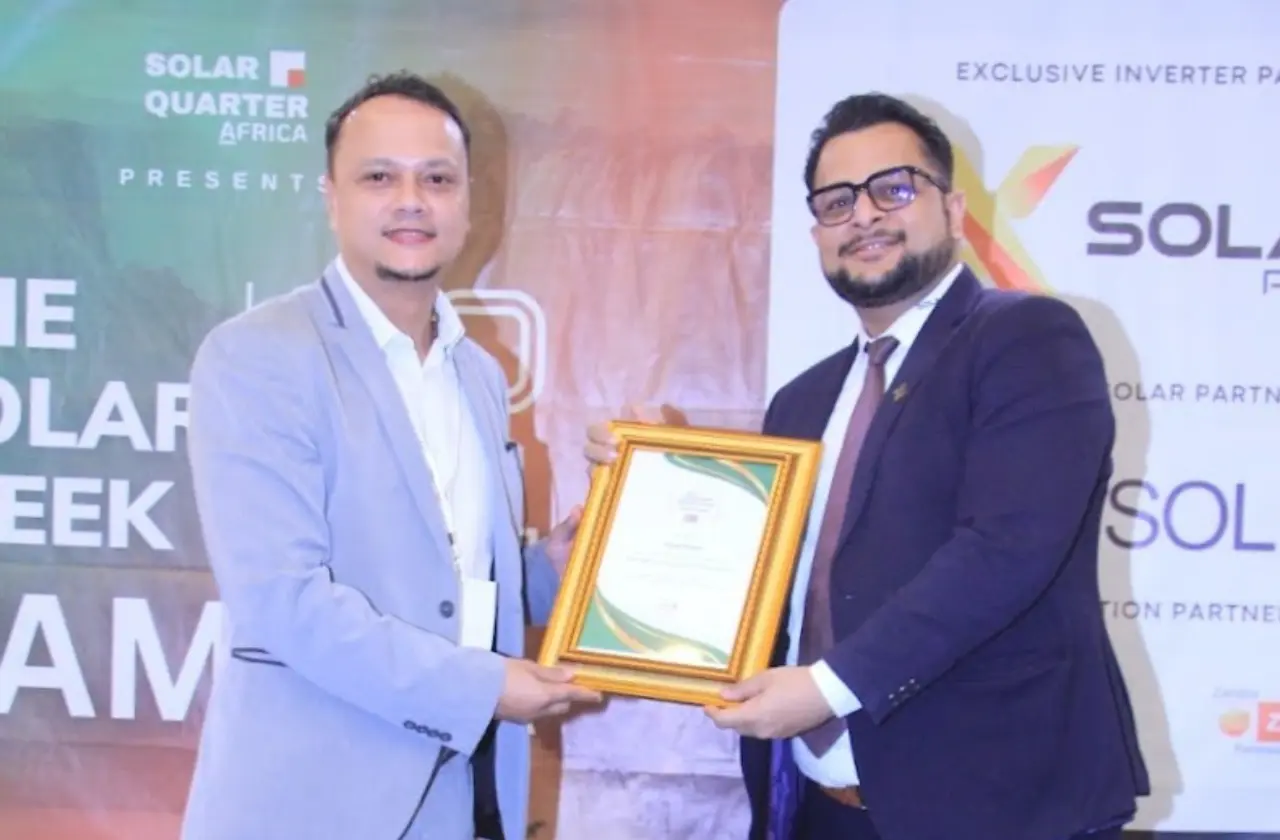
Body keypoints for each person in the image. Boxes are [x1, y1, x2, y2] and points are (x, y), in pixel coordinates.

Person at [584, 93, 1149, 840]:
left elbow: (1007, 550)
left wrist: (828, 688)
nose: (865, 215)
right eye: (837, 201)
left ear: (953, 209)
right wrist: (659, 482)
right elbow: (768, 582)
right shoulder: (803, 399)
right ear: (817, 231)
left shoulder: (1027, 339)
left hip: (997, 804)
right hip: (819, 804)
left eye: (895, 189)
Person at [181, 72, 601, 840]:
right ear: (331, 198)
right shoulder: (259, 355)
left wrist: (549, 570)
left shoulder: (478, 374)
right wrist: (482, 687)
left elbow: (454, 582)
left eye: (437, 179)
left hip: (465, 799)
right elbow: (283, 602)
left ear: (468, 202)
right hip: (312, 808)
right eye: (380, 177)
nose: (412, 200)